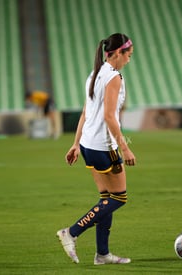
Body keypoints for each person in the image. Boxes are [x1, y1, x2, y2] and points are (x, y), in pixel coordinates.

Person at [57, 33, 135, 265]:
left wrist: (75, 143)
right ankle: (70, 232)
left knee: (106, 198)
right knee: (119, 198)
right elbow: (109, 117)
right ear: (118, 53)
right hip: (103, 146)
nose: (129, 60)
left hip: (88, 144)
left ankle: (102, 254)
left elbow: (85, 112)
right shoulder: (113, 77)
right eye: (128, 55)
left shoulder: (94, 73)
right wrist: (125, 148)